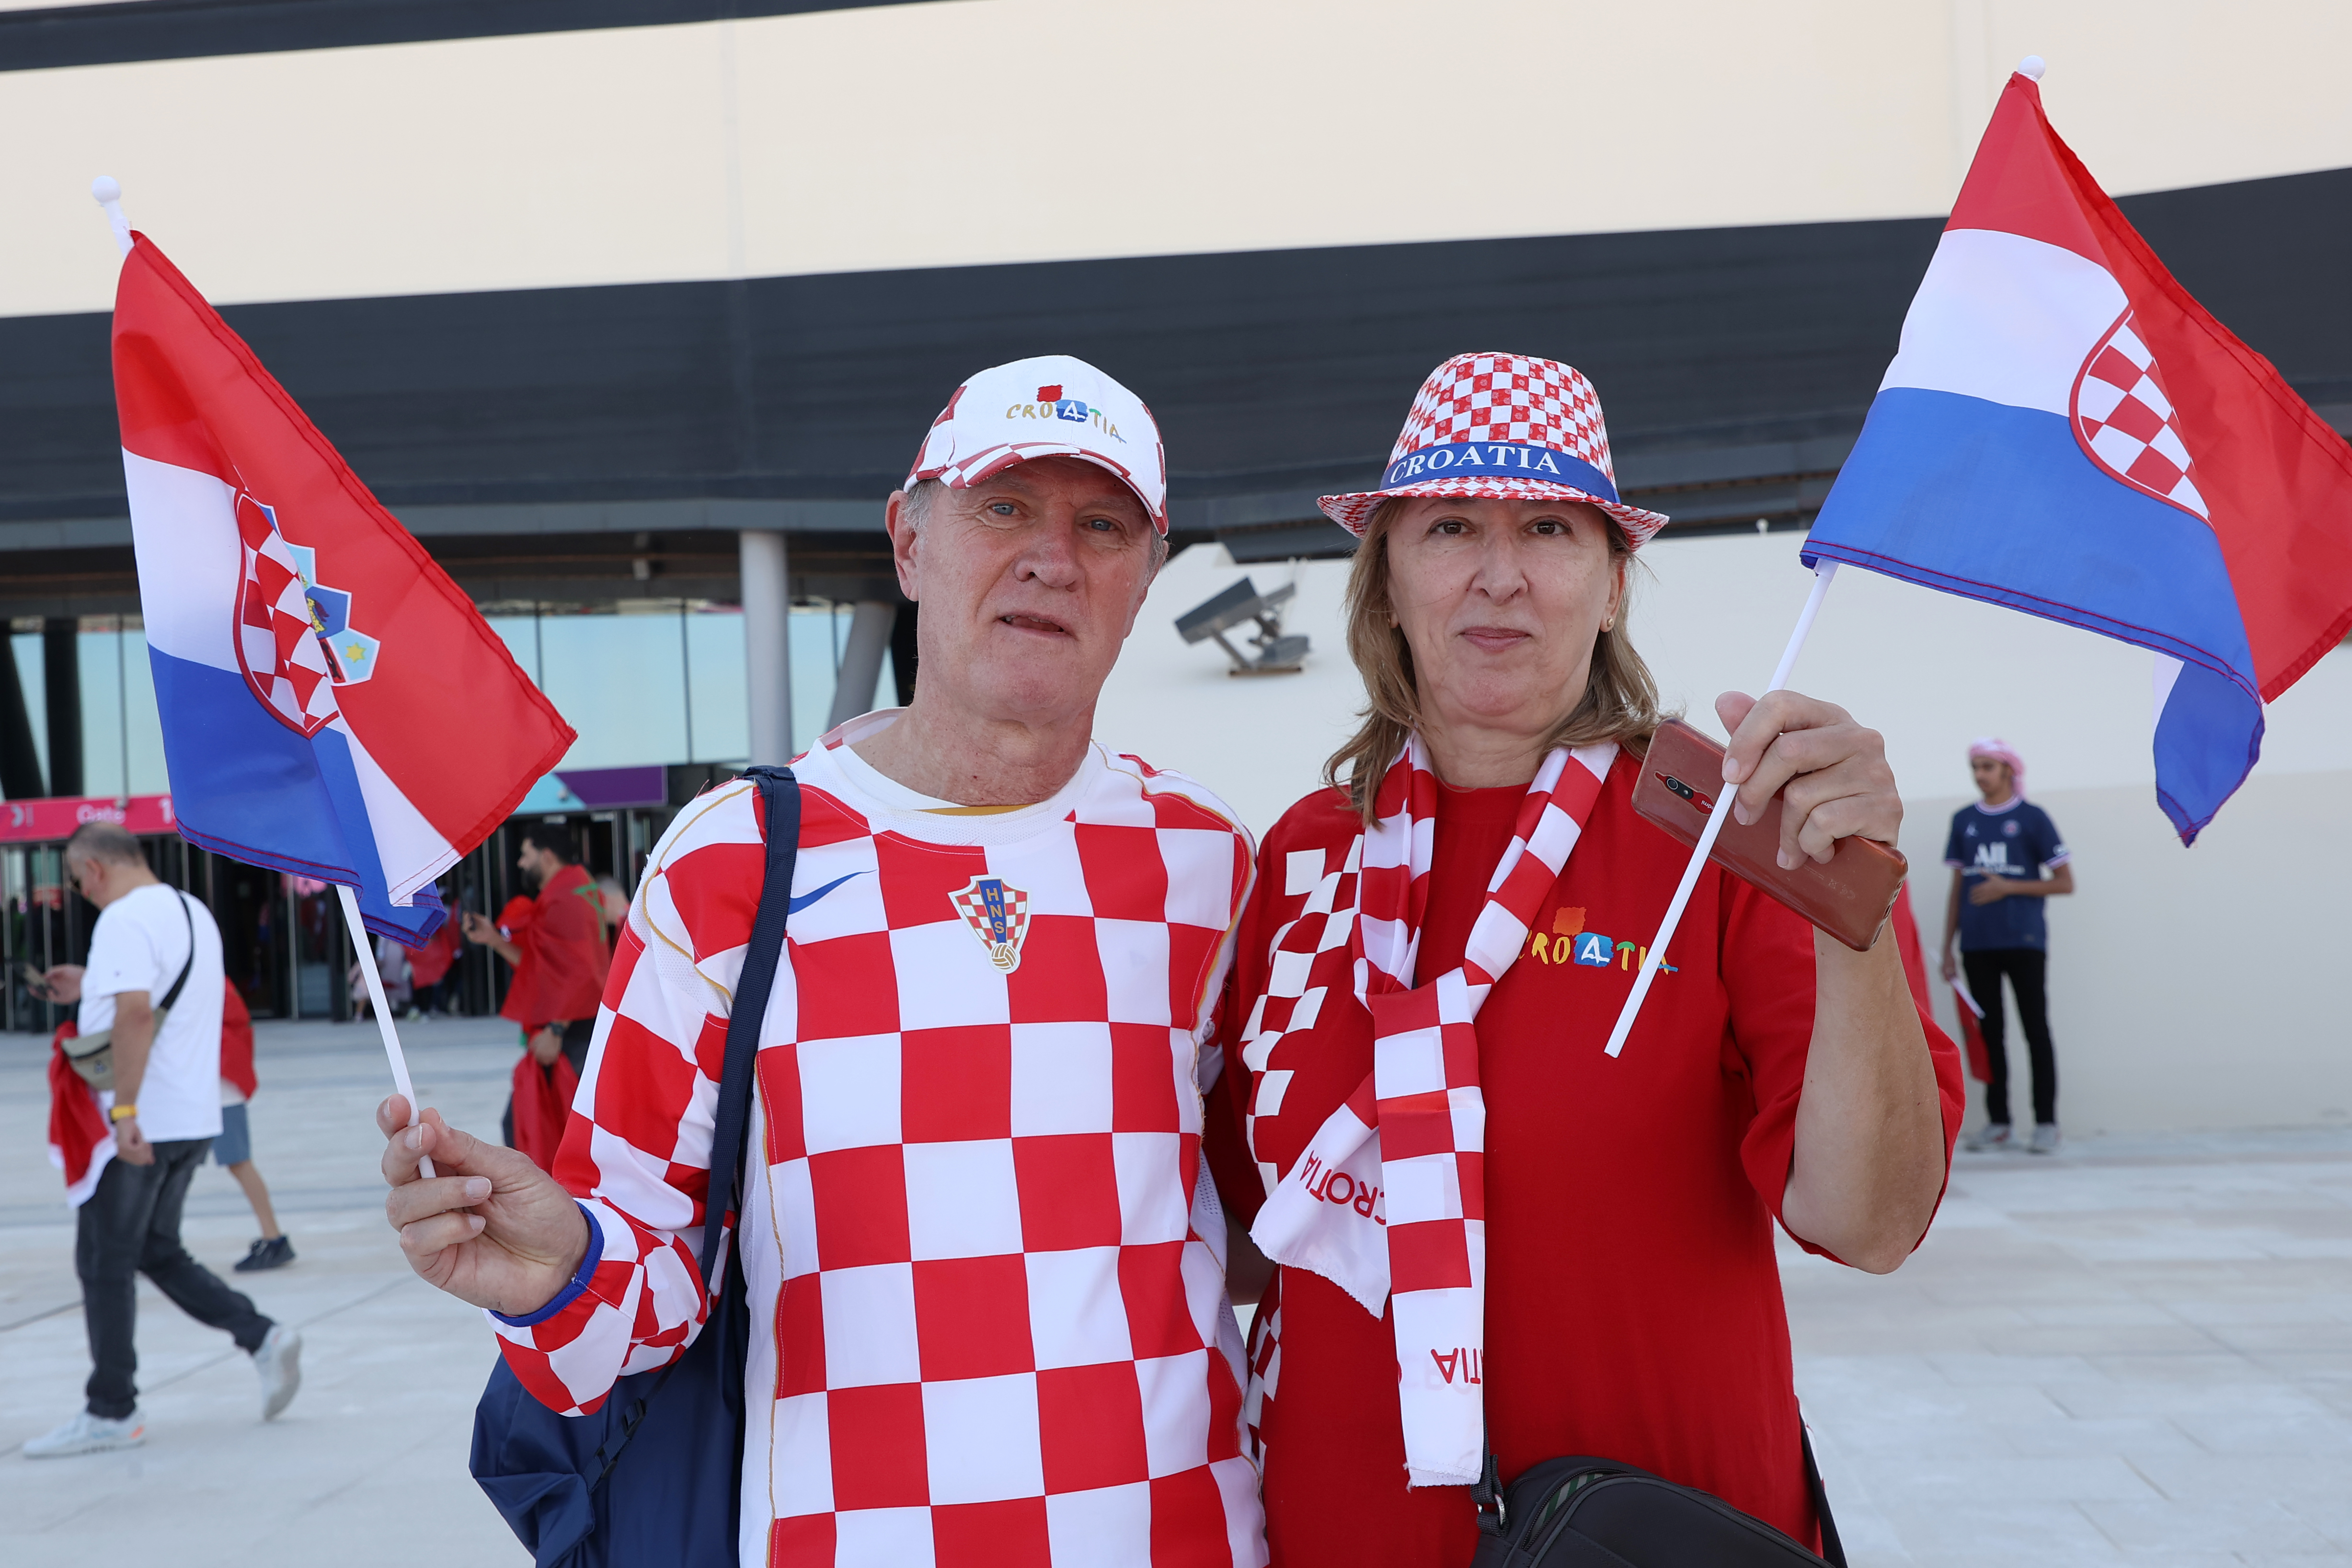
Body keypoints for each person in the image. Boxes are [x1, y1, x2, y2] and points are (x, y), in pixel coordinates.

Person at [379, 355, 1266, 1564]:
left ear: (1143, 580)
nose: (1052, 555)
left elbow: (1278, 1224)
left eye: (1101, 524)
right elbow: (644, 1277)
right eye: (1002, 506)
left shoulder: (1208, 862)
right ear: (909, 541)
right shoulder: (732, 859)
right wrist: (557, 1272)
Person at [1200, 353, 1962, 1564]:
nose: (1499, 574)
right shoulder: (1302, 856)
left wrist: (1850, 913)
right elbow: (1241, 1231)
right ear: (1386, 579)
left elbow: (1867, 1222)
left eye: (1548, 527)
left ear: (1612, 583)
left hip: (1641, 1534)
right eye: (1450, 525)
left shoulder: (1735, 827)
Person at [26, 823, 302, 1458]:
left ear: (93, 869)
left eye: (75, 880)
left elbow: (136, 1013)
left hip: (141, 1123)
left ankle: (112, 1408)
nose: (80, 892)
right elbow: (143, 999)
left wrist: (122, 1111)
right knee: (155, 1248)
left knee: (104, 1262)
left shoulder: (122, 919)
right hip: (191, 1115)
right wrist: (88, 984)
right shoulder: (192, 911)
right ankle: (262, 1336)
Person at [1939, 738, 2073, 1154]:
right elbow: (1957, 886)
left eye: (1987, 766)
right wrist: (1947, 947)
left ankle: (2046, 1124)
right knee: (1989, 1033)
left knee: (2035, 1029)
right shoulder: (1963, 821)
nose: (1980, 774)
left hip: (2024, 941)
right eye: (1975, 766)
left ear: (2008, 771)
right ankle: (1999, 1123)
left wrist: (2007, 888)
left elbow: (2065, 882)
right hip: (1977, 945)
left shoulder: (2032, 818)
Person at [460, 823, 610, 1163]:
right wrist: (494, 939)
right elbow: (544, 968)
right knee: (543, 1126)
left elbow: (582, 971)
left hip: (571, 1033)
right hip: (575, 1028)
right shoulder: (576, 889)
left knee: (538, 1128)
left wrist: (556, 1029)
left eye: (525, 854)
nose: (520, 863)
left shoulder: (566, 899)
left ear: (546, 855)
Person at [217, 978, 296, 1271]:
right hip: (213, 1085)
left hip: (216, 1087)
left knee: (238, 1161)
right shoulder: (214, 979)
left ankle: (274, 1239)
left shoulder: (206, 982)